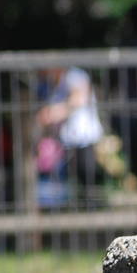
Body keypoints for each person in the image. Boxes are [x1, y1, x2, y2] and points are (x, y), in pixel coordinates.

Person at [36, 66, 103, 207]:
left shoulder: (74, 75)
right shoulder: (55, 84)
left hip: (84, 138)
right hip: (67, 141)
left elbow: (79, 99)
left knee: (88, 181)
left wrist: (54, 113)